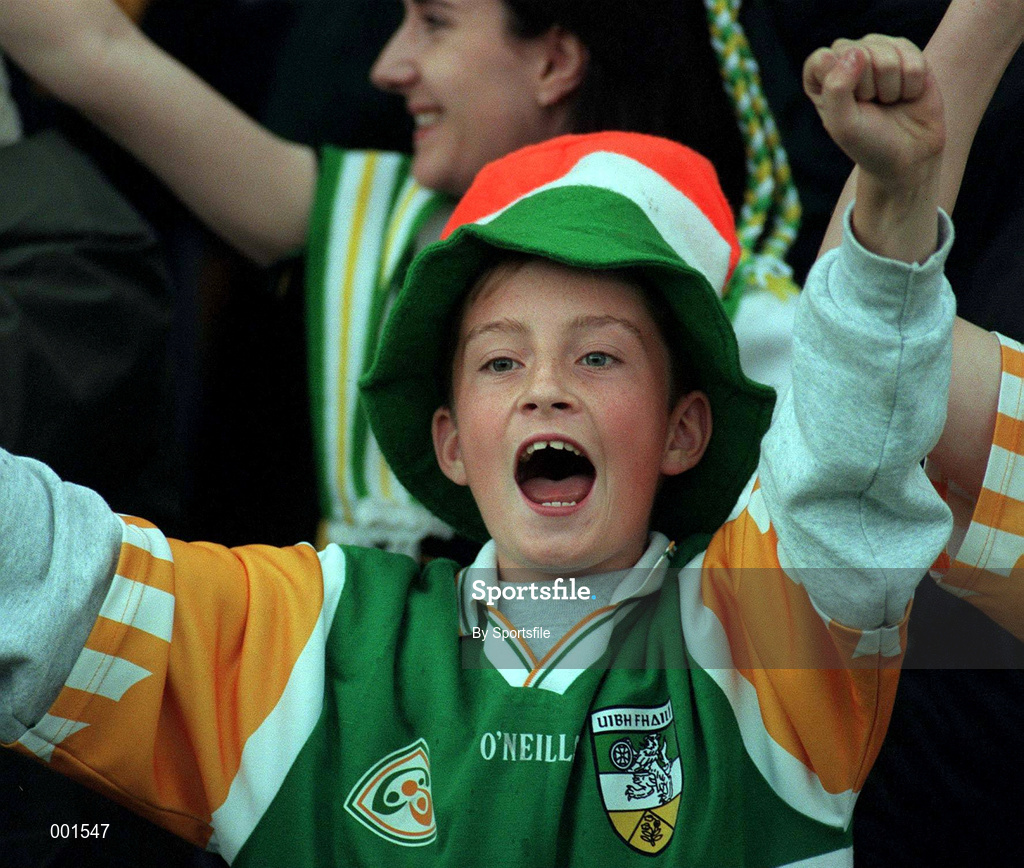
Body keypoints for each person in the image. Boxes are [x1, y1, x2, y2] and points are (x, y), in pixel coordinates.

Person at [2, 35, 1016, 866]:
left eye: (598, 354)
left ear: (682, 430)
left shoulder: (765, 643)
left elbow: (849, 444)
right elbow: (48, 572)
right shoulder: (316, 644)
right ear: (448, 440)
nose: (543, 385)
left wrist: (890, 214)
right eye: (497, 363)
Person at [0, 0, 802, 558]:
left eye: (435, 22)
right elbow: (94, 50)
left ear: (555, 60)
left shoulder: (730, 300)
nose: (387, 65)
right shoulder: (365, 218)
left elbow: (850, 599)